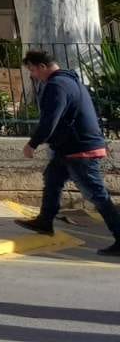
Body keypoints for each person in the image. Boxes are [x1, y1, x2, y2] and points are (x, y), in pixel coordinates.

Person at [18, 48, 120, 255]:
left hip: (80, 149)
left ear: (42, 67)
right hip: (69, 147)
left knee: (97, 195)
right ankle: (45, 221)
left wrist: (33, 144)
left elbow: (50, 120)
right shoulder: (70, 80)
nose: (32, 75)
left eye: (32, 70)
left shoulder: (57, 85)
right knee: (52, 178)